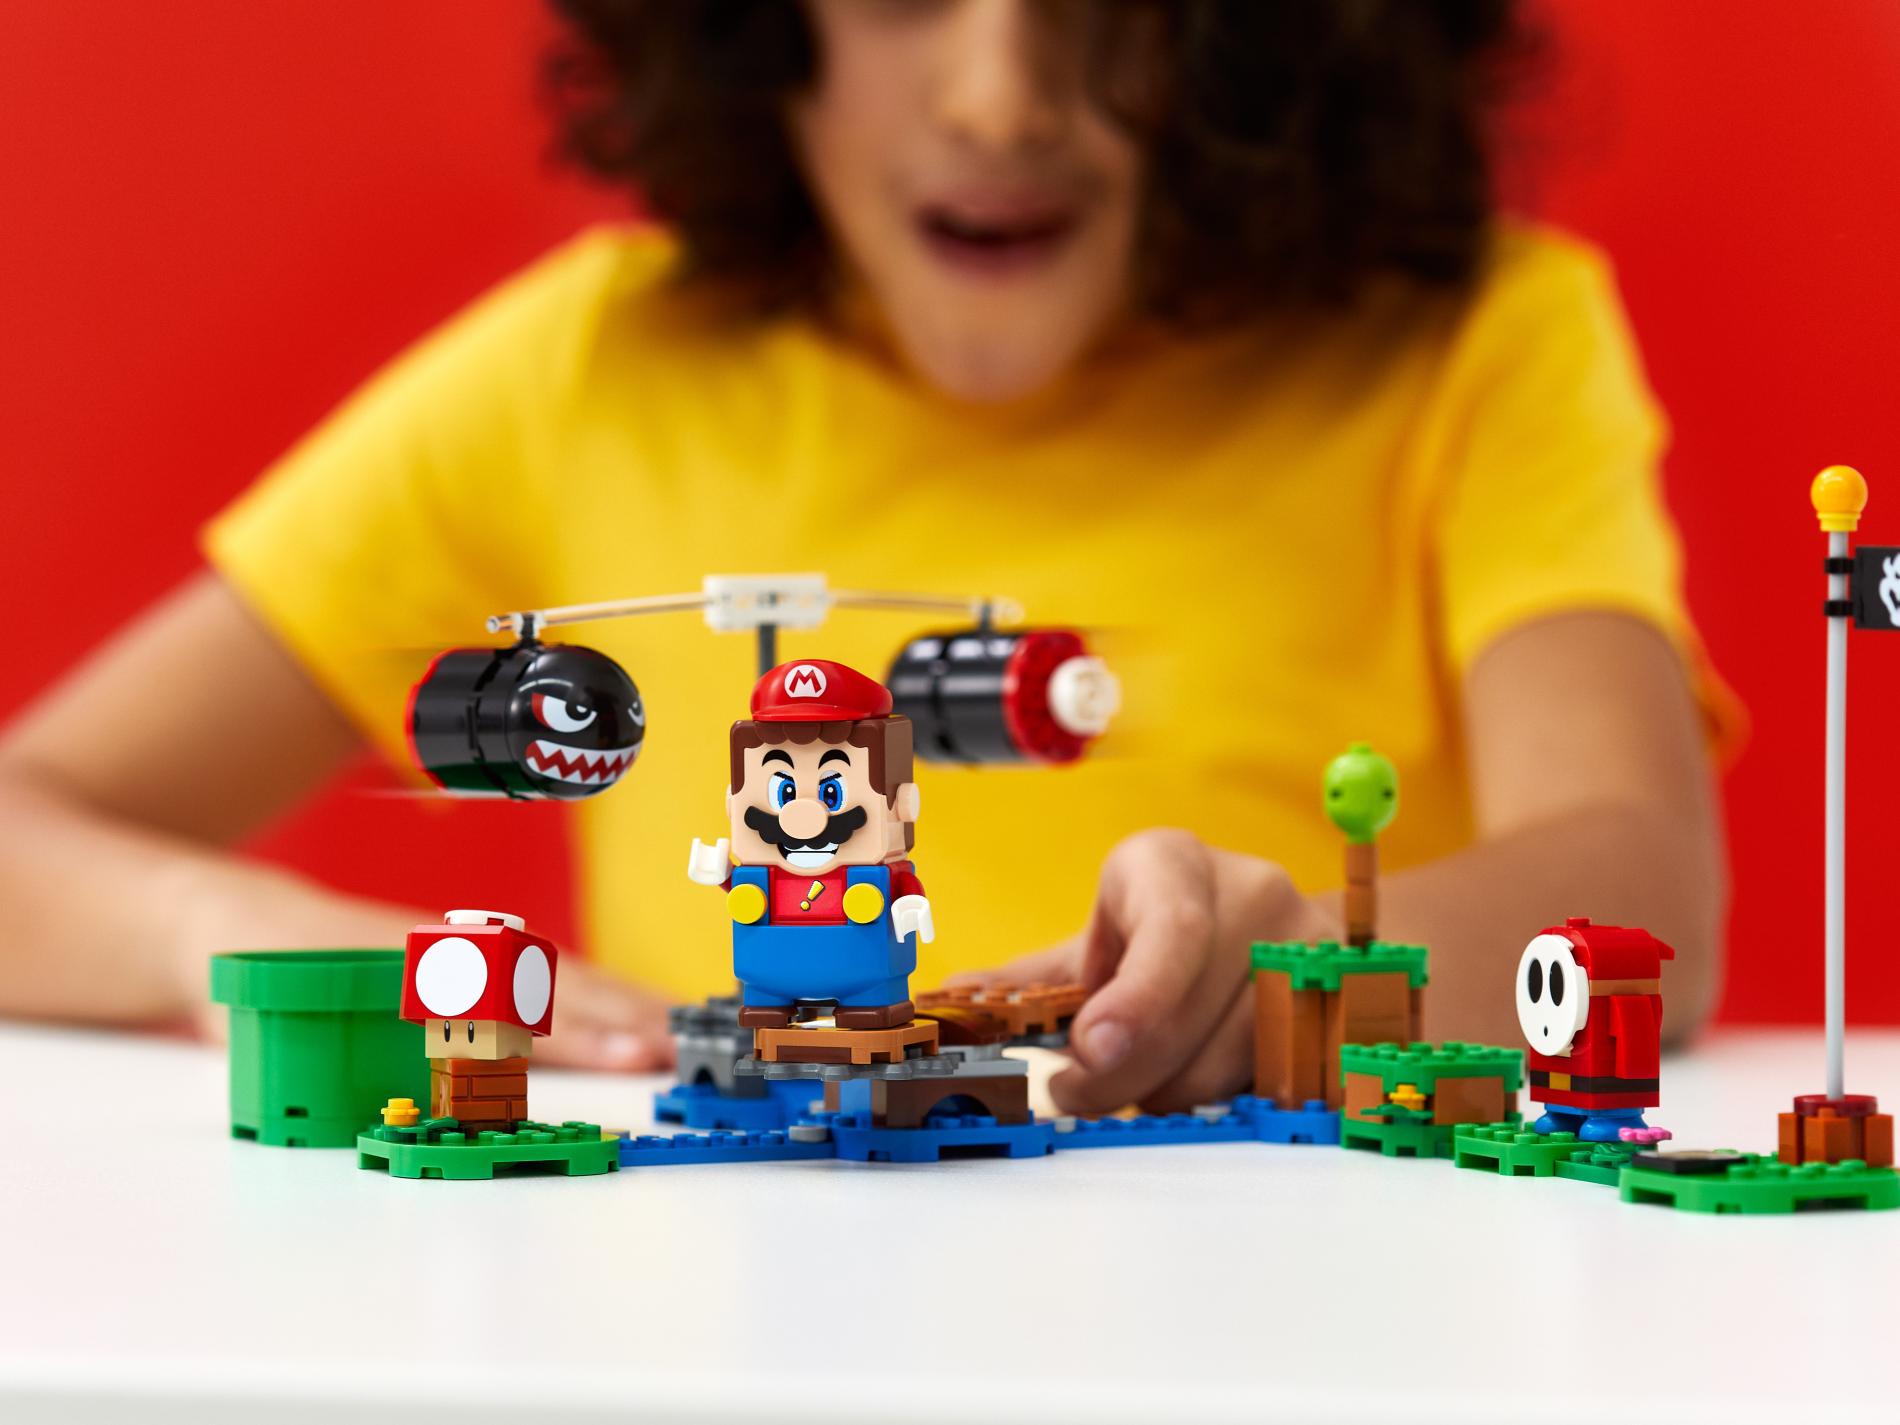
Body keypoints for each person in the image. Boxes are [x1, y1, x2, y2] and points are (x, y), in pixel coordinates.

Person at [0, 0, 1732, 1117]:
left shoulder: (1475, 344)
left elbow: (1648, 885)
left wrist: (1317, 961)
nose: (1000, 98)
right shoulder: (587, 373)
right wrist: (229, 931)